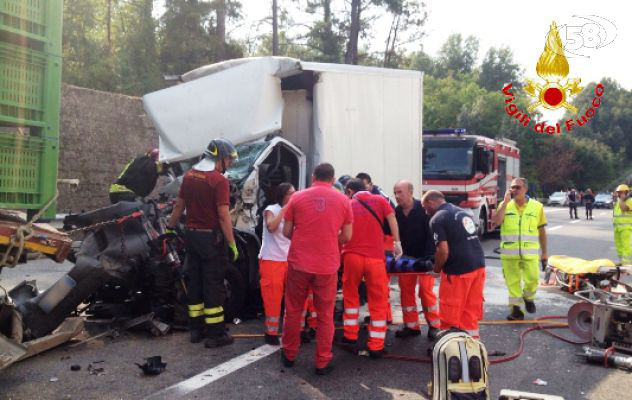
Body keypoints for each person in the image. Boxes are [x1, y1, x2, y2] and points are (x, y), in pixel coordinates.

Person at [281, 163, 353, 375]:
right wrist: (330, 241)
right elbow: (347, 236)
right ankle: (322, 362)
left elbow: (286, 232)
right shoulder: (343, 200)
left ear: (313, 176)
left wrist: (305, 240)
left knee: (293, 309)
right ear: (333, 179)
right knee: (325, 315)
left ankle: (289, 354)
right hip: (327, 265)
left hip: (299, 263)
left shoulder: (297, 197)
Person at [166, 138, 239, 348]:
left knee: (195, 282)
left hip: (191, 237)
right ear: (220, 159)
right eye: (229, 160)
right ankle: (215, 334)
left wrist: (170, 228)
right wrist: (232, 243)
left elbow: (179, 206)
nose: (230, 164)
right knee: (213, 285)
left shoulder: (189, 176)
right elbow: (224, 216)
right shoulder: (218, 180)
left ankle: (196, 330)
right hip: (211, 240)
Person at [341, 179, 402, 358]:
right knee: (378, 299)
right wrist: (397, 242)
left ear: (350, 191)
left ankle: (350, 336)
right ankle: (376, 345)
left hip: (352, 256)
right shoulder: (380, 200)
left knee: (351, 295)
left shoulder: (348, 204)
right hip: (375, 258)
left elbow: (342, 232)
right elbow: (392, 218)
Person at [422, 191, 486, 338]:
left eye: (426, 208)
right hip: (478, 267)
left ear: (431, 203)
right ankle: (471, 347)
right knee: (470, 311)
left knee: (450, 312)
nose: (426, 212)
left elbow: (443, 251)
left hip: (458, 271)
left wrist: (437, 270)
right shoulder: (461, 212)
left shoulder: (437, 219)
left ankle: (451, 350)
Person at [493, 178, 548, 321]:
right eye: (512, 187)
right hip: (509, 254)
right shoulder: (505, 205)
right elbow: (496, 222)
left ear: (525, 189)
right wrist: (504, 203)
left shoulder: (537, 207)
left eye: (517, 187)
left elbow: (541, 230)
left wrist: (545, 252)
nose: (514, 190)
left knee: (533, 279)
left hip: (530, 253)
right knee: (512, 283)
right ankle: (516, 310)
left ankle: (528, 298)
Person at [393, 180, 440, 339]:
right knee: (406, 292)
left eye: (400, 192)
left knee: (426, 292)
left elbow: (432, 235)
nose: (396, 196)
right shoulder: (397, 212)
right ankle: (411, 326)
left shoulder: (423, 209)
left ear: (411, 192)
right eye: (395, 192)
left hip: (425, 259)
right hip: (406, 260)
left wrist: (430, 260)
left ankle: (434, 326)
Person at [258, 183, 296, 345]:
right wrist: (284, 210)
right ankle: (271, 332)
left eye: (295, 193)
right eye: (290, 193)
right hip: (272, 259)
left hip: (290, 260)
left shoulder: (296, 210)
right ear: (282, 195)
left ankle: (296, 331)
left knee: (295, 298)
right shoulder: (271, 209)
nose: (294, 195)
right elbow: (271, 227)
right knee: (272, 298)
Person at [613, 184, 632, 265]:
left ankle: (627, 263)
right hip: (617, 228)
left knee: (626, 246)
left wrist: (620, 199)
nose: (620, 194)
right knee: (618, 246)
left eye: (622, 192)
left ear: (627, 193)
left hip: (626, 227)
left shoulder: (630, 201)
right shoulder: (618, 201)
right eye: (619, 193)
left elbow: (624, 208)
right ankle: (622, 261)